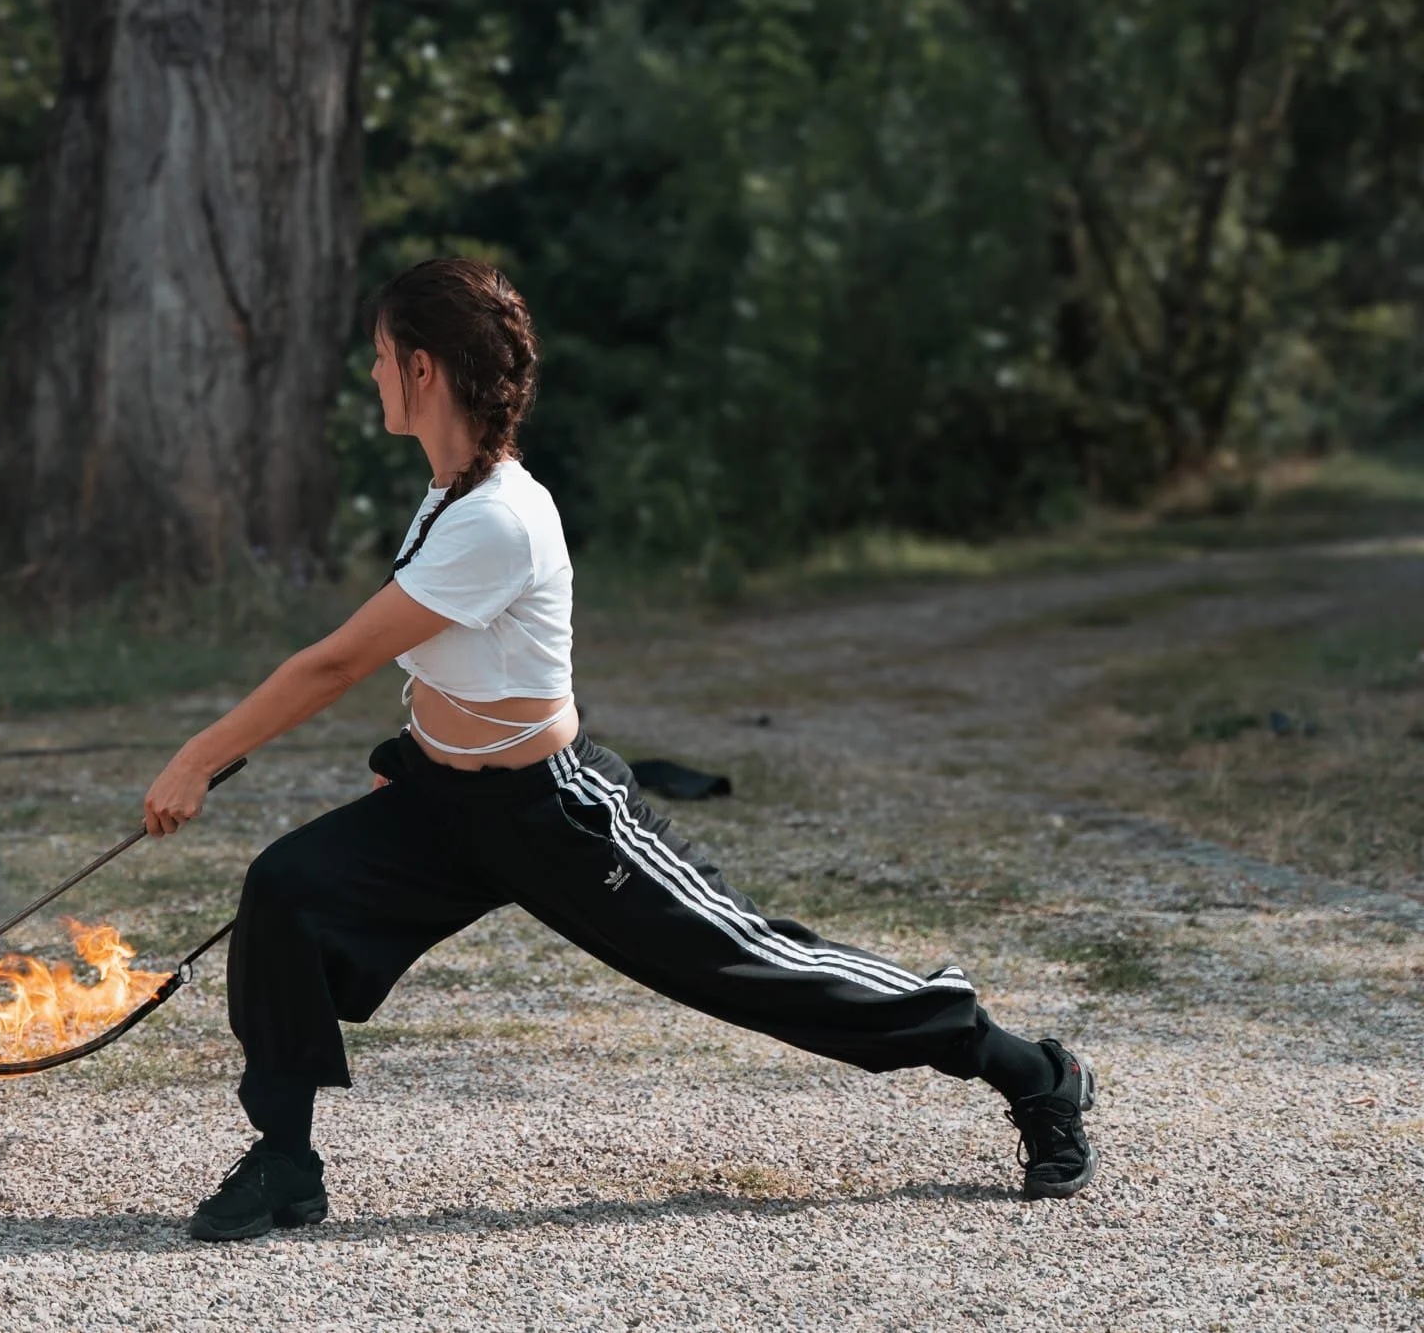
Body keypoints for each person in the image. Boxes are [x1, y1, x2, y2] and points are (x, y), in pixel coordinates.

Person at [141, 257, 1096, 1243]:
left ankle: (1030, 1069)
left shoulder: (494, 517)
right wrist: (419, 745)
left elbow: (332, 662)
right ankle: (286, 1163)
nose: (373, 377)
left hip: (550, 815)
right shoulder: (445, 495)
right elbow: (458, 653)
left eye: (381, 359)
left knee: (750, 964)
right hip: (444, 805)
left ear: (423, 368)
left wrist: (197, 757)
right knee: (287, 892)